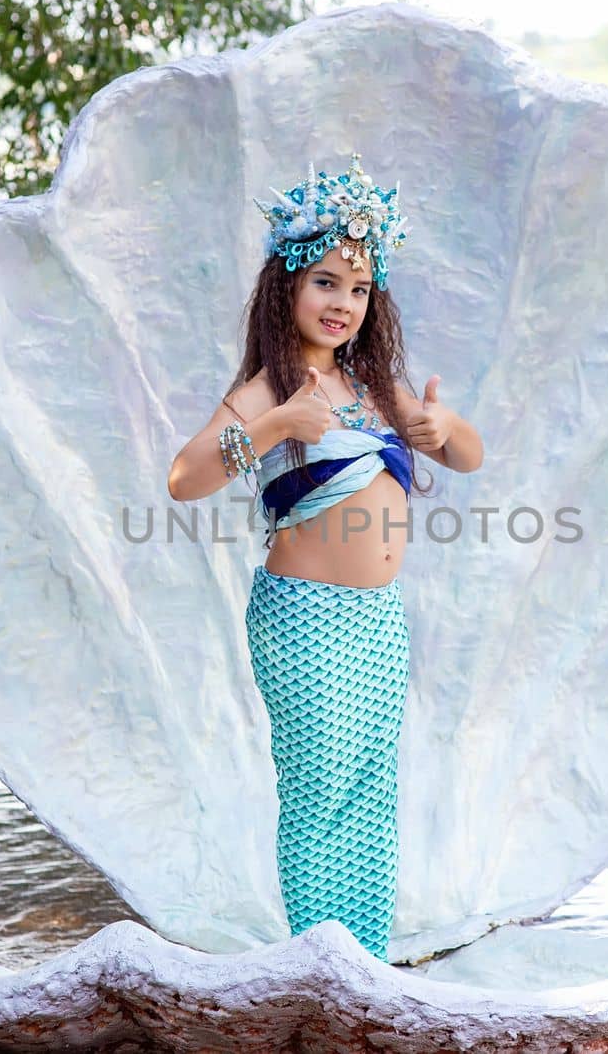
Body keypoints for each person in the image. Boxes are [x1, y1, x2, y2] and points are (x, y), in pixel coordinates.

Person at [166, 153, 483, 961]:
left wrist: (442, 432)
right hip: (304, 616)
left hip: (378, 617)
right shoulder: (268, 390)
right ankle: (320, 965)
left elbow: (469, 457)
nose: (344, 302)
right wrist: (277, 428)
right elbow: (184, 477)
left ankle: (366, 964)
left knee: (373, 793)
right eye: (326, 282)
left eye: (360, 288)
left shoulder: (376, 387)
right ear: (288, 288)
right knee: (320, 791)